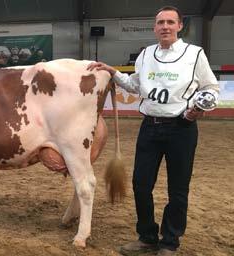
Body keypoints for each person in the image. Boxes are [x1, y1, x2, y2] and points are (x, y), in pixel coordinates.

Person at [87, 6, 219, 256]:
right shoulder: (146, 54)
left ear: (180, 26)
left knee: (178, 189)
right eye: (160, 23)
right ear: (154, 27)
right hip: (150, 127)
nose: (165, 27)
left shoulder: (195, 53)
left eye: (170, 22)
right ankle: (147, 236)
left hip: (182, 128)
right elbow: (135, 85)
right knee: (140, 184)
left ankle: (170, 242)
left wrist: (199, 107)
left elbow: (211, 87)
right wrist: (113, 72)